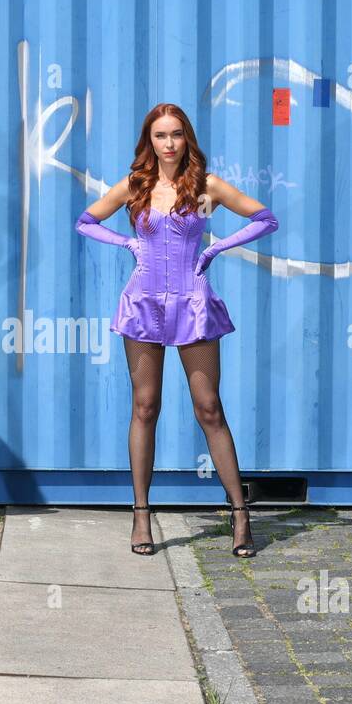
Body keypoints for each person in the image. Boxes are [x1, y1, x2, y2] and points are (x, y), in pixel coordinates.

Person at [76, 103, 278, 558]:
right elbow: (86, 221)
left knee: (209, 408)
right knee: (145, 406)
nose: (169, 143)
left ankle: (240, 514)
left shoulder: (205, 186)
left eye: (176, 134)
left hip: (193, 302)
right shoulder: (136, 185)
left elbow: (266, 218)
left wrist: (218, 248)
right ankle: (142, 515)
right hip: (143, 302)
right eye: (160, 135)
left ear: (187, 138)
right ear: (149, 141)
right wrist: (127, 241)